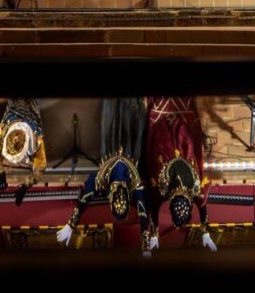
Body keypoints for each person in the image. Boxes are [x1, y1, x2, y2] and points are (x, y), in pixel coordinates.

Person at [58, 98, 150, 253]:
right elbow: (86, 197)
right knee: (123, 118)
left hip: (119, 149)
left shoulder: (126, 181)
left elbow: (142, 208)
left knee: (121, 116)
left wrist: (71, 224)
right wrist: (71, 224)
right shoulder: (105, 179)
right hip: (123, 148)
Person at [144, 96, 216, 250]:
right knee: (186, 142)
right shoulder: (194, 190)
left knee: (162, 145)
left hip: (166, 148)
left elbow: (155, 208)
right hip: (183, 149)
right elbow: (202, 207)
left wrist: (154, 233)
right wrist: (205, 232)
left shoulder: (165, 191)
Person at [0, 98, 46, 186]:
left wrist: (29, 184)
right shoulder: (2, 130)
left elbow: (41, 165)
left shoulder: (37, 140)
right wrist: (0, 172)